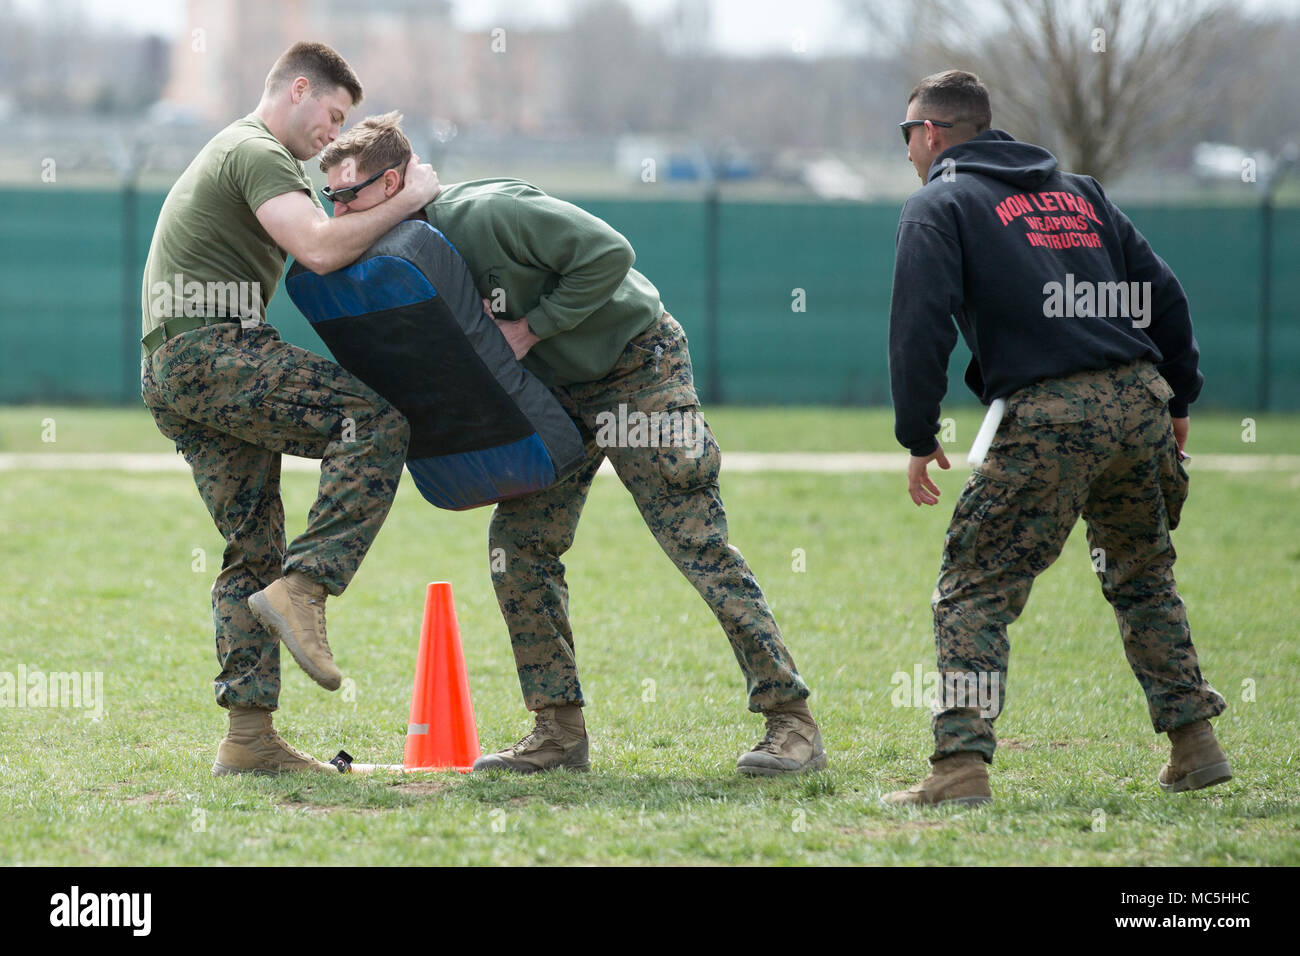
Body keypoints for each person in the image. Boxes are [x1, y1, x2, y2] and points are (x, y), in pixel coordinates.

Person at [316, 112, 825, 776]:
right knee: (518, 549)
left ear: (397, 182)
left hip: (636, 365)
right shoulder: (397, 258)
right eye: (329, 198)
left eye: (348, 195)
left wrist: (532, 327)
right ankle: (557, 733)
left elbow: (610, 254)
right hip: (557, 396)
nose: (338, 210)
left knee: (694, 539)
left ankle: (792, 721)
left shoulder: (488, 212)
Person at [882, 70, 1229, 806]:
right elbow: (1163, 293)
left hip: (1050, 414)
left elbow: (920, 325)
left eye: (907, 134)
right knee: (1142, 575)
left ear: (933, 133)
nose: (908, 149)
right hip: (1139, 399)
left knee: (973, 590)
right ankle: (1196, 745)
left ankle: (960, 767)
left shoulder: (938, 203)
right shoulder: (1079, 193)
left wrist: (917, 433)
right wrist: (1180, 396)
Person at [140, 43, 440, 775]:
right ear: (298, 89)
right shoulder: (258, 149)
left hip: (172, 366)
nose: (332, 133)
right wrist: (410, 196)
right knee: (374, 422)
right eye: (333, 114)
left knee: (252, 547)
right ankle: (307, 589)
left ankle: (248, 741)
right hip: (211, 349)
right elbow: (318, 246)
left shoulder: (244, 153)